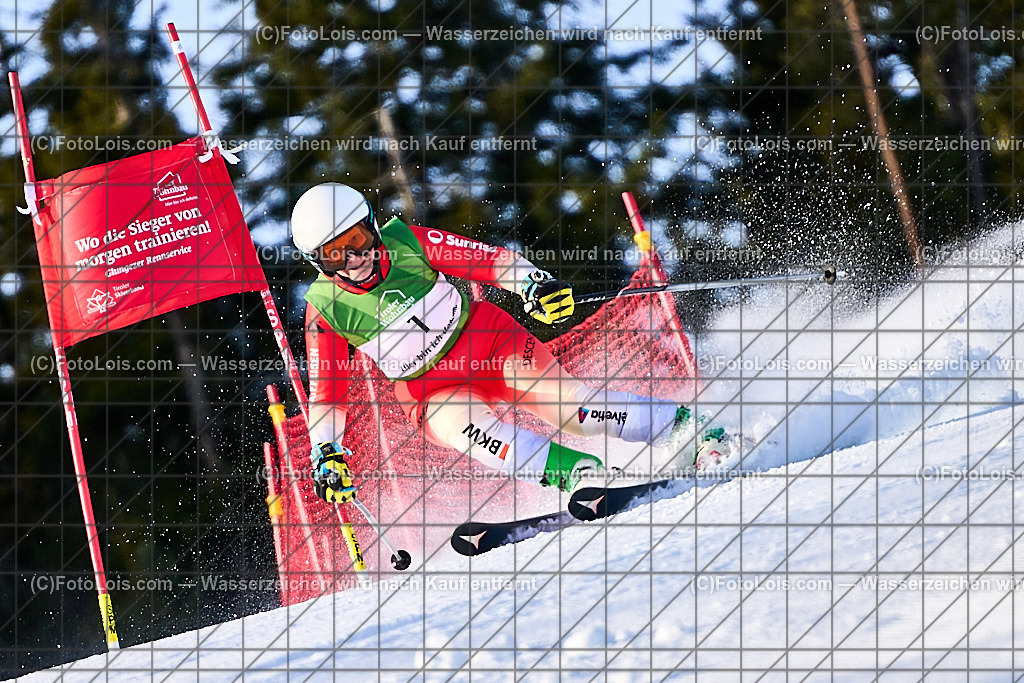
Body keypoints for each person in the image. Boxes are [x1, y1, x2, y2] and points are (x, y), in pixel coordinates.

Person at [290, 183, 724, 503]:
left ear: (371, 227)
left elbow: (488, 260)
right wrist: (327, 452)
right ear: (318, 262)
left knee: (575, 409)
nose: (355, 258)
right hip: (430, 388)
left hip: (489, 341)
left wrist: (533, 285)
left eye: (358, 241)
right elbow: (328, 395)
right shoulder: (325, 310)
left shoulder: (406, 242)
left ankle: (693, 431)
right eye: (336, 254)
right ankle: (579, 475)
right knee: (471, 431)